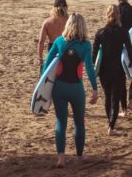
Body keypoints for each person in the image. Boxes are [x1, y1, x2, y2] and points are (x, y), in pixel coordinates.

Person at [42, 13, 98, 168]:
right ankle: (79, 157)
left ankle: (61, 158)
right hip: (76, 89)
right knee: (79, 123)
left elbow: (47, 64)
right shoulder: (86, 45)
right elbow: (89, 68)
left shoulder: (59, 41)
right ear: (83, 27)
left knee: (61, 121)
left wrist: (42, 86)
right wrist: (94, 88)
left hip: (59, 88)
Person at [93, 5, 132, 134]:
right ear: (118, 15)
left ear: (107, 15)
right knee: (115, 98)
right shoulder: (123, 32)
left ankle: (110, 122)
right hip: (118, 69)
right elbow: (130, 52)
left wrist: (93, 69)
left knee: (108, 97)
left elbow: (94, 53)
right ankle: (111, 127)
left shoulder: (100, 32)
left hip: (104, 70)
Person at [37, 0, 69, 69]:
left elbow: (41, 41)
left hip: (53, 47)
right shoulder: (70, 21)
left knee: (52, 71)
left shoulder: (47, 22)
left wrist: (40, 58)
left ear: (54, 8)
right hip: (67, 47)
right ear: (66, 7)